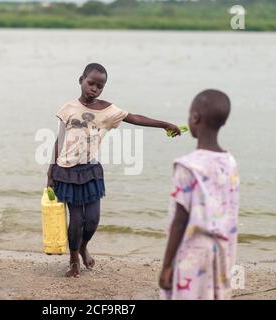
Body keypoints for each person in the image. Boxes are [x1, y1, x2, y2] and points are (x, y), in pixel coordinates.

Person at [47, 63, 181, 278]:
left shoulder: (108, 111)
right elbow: (59, 139)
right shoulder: (68, 108)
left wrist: (164, 124)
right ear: (80, 80)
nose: (95, 89)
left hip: (90, 170)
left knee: (92, 219)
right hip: (66, 170)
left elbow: (135, 118)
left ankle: (83, 247)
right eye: (91, 83)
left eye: (100, 86)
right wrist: (50, 172)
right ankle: (73, 259)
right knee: (76, 220)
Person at [158, 89, 240, 299]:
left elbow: (179, 220)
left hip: (193, 252)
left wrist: (167, 265)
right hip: (223, 252)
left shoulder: (187, 167)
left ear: (195, 118)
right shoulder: (230, 163)